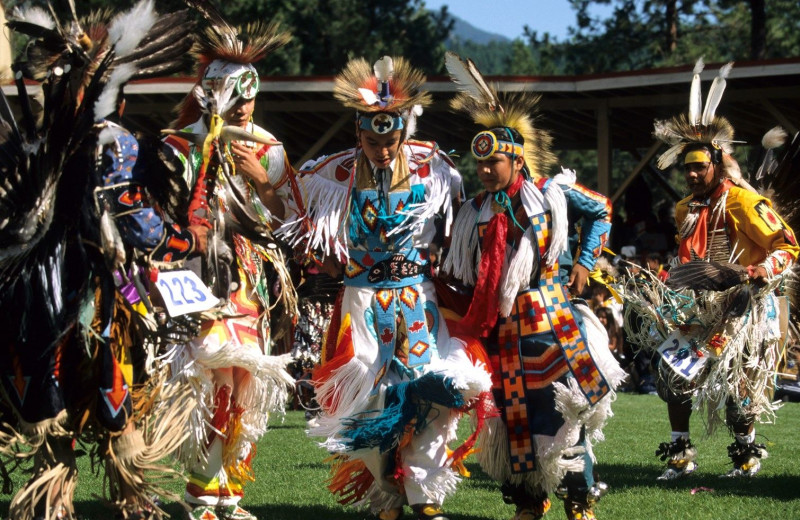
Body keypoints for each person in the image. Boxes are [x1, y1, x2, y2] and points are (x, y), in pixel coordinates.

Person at [0, 4, 199, 519]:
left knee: (57, 386)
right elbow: (134, 217)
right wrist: (182, 241)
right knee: (106, 385)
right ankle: (118, 494)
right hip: (82, 291)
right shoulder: (112, 143)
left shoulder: (32, 144)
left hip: (45, 298)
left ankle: (61, 498)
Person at [277, 56, 492, 520]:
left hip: (417, 298)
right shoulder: (332, 174)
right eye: (372, 141)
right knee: (367, 394)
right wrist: (321, 255)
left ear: (403, 132)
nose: (382, 150)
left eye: (390, 140)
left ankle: (425, 493)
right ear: (358, 133)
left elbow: (457, 221)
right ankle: (387, 492)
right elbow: (294, 214)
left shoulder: (432, 166)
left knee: (431, 389)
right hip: (361, 300)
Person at [442, 52, 624, 520]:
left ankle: (579, 498)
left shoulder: (550, 194)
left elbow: (602, 208)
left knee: (564, 408)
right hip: (501, 327)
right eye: (479, 164)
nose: (484, 171)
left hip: (550, 318)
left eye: (494, 163)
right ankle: (528, 499)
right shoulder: (474, 211)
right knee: (509, 412)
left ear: (516, 158)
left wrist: (586, 260)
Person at [636, 59, 800, 480]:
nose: (691, 174)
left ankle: (745, 457)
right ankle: (679, 455)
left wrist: (761, 269)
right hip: (696, 306)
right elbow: (689, 255)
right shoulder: (684, 209)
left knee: (739, 386)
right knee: (672, 373)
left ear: (716, 164)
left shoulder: (745, 203)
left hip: (744, 305)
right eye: (686, 167)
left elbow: (788, 245)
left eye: (699, 167)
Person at [163, 20, 297, 520]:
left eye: (250, 99)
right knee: (210, 376)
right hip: (196, 281)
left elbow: (288, 222)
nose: (244, 109)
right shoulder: (177, 148)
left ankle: (226, 494)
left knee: (244, 383)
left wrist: (262, 181)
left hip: (249, 281)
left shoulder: (268, 149)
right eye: (233, 97)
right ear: (209, 94)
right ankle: (202, 493)